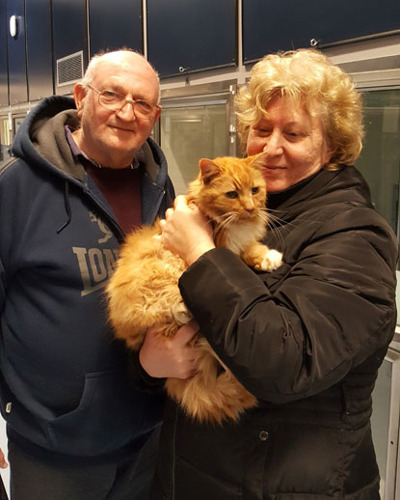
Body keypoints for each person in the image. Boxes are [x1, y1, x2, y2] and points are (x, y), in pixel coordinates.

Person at [138, 49, 398, 499]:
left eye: (294, 133)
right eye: (261, 129)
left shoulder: (356, 235)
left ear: (331, 144)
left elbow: (282, 363)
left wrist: (199, 250)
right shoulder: (254, 212)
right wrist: (148, 364)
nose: (271, 147)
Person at [0, 49, 196, 500]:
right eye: (112, 95)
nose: (127, 113)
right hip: (54, 448)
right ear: (81, 97)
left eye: (142, 104)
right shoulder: (16, 185)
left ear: (156, 116)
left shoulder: (158, 185)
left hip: (147, 434)